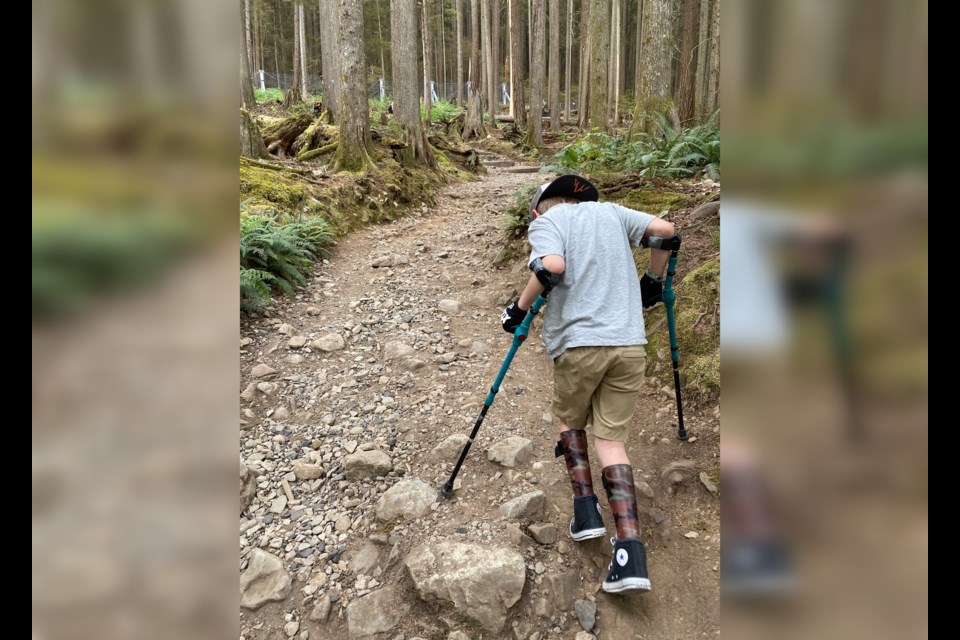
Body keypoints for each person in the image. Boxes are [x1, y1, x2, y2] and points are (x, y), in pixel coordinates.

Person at [500, 175, 675, 593]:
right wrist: (652, 281)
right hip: (630, 343)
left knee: (569, 419)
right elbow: (665, 232)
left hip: (579, 343)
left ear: (538, 208)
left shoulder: (547, 222)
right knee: (612, 440)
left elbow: (552, 267)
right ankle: (629, 554)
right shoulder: (611, 212)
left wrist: (516, 309)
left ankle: (586, 513)